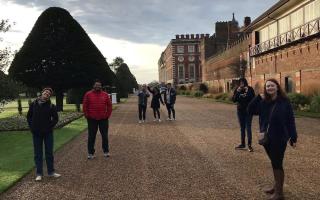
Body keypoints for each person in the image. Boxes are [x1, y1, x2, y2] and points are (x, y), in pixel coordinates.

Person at [247, 79, 297, 200]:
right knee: (274, 161)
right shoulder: (264, 102)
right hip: (266, 137)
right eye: (267, 86)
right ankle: (276, 186)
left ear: (277, 87)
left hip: (280, 137)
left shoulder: (284, 102)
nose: (270, 88)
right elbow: (250, 110)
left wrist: (293, 136)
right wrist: (258, 97)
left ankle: (279, 193)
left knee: (277, 163)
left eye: (272, 85)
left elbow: (291, 119)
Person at [27, 87, 60, 181]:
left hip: (48, 133)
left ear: (49, 96)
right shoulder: (33, 104)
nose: (47, 93)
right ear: (42, 93)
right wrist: (32, 126)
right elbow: (29, 117)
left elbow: (55, 118)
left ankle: (51, 172)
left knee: (49, 153)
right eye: (46, 92)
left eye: (49, 93)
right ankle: (39, 173)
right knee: (38, 154)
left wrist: (50, 126)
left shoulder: (51, 106)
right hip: (36, 133)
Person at [83, 80, 112, 159]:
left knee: (105, 136)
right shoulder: (88, 94)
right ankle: (90, 153)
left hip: (103, 119)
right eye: (96, 85)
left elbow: (109, 105)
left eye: (99, 85)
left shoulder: (105, 95)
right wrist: (87, 115)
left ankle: (106, 151)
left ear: (101, 86)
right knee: (91, 136)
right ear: (93, 86)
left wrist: (107, 115)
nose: (98, 86)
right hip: (92, 119)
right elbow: (85, 106)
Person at [232, 78, 255, 152]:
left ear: (245, 82)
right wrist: (237, 92)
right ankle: (242, 144)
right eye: (240, 83)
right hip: (240, 111)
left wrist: (247, 92)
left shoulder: (250, 89)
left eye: (243, 82)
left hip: (248, 111)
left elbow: (253, 99)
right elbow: (234, 100)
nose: (242, 84)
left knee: (248, 127)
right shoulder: (237, 89)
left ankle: (249, 145)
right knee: (242, 128)